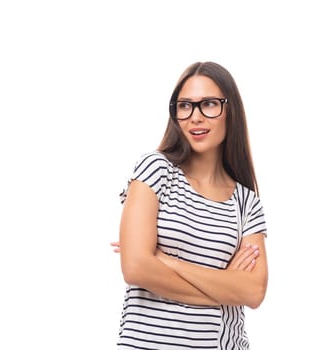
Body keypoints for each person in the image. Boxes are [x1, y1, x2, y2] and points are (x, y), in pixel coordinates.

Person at [112, 61, 268, 350]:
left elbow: (254, 291)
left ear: (230, 110)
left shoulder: (246, 202)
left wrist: (166, 260)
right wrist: (225, 287)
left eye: (209, 104)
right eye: (185, 106)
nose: (195, 116)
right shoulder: (155, 170)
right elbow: (135, 268)